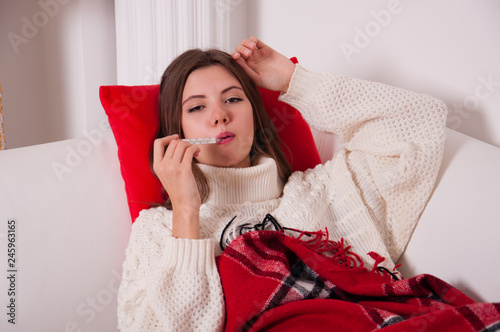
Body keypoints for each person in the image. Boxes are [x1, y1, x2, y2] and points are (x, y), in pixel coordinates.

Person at [117, 37, 447, 331]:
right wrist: (187, 212)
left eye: (233, 99)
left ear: (255, 114)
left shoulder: (326, 191)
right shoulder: (158, 230)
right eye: (198, 107)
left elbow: (421, 123)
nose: (219, 115)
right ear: (178, 130)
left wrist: (294, 81)